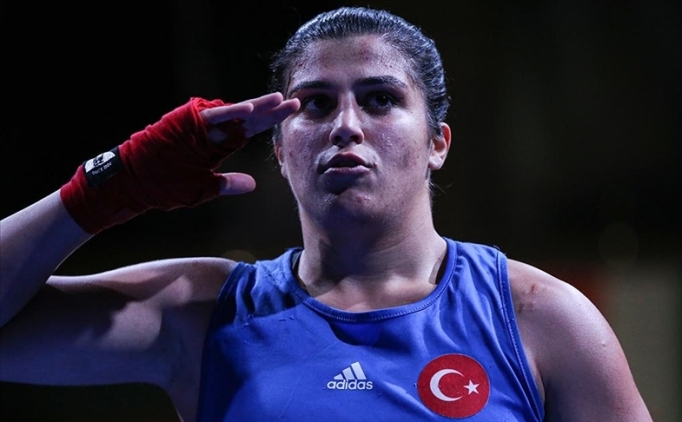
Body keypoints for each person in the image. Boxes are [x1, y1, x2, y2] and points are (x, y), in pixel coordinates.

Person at [0, 6, 652, 422]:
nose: (346, 125)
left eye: (379, 99)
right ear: (281, 151)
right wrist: (111, 186)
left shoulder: (539, 317)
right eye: (314, 104)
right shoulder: (200, 310)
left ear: (437, 142)